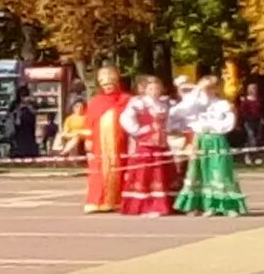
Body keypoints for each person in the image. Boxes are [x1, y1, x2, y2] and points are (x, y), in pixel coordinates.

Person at [58, 65, 128, 211]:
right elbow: (90, 122)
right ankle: (98, 201)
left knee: (120, 171)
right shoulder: (96, 102)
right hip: (99, 145)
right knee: (98, 173)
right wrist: (88, 140)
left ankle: (117, 201)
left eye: (110, 84)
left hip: (120, 143)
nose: (108, 87)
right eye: (105, 84)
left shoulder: (126, 100)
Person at [173, 87, 248, 216]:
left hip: (217, 138)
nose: (207, 92)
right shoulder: (196, 106)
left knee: (221, 171)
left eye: (210, 89)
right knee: (203, 172)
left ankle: (228, 206)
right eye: (204, 89)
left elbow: (229, 122)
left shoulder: (222, 104)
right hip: (201, 139)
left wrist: (215, 127)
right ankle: (209, 206)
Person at [118, 75, 176, 215]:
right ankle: (141, 206)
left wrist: (169, 130)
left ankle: (160, 206)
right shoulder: (139, 103)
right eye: (151, 88)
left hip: (161, 144)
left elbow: (172, 121)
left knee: (160, 174)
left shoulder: (165, 104)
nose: (154, 91)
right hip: (145, 143)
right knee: (143, 174)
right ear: (145, 90)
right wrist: (138, 130)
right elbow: (125, 118)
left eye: (157, 88)